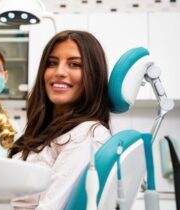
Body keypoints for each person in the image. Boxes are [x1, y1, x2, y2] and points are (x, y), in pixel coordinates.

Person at [8, 30, 112, 210]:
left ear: (93, 75)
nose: (59, 72)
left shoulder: (87, 135)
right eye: (52, 63)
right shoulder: (43, 132)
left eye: (74, 64)